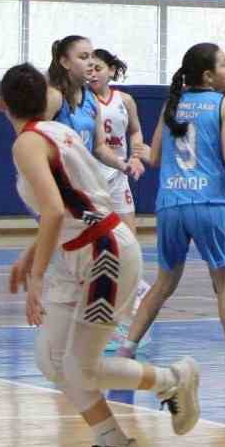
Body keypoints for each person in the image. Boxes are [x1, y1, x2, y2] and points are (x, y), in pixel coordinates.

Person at [0, 63, 200, 447]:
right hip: (82, 252)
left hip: (103, 254)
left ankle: (172, 379)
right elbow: (76, 206)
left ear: (1, 104)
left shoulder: (28, 143)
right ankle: (114, 443)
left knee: (79, 364)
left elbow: (55, 210)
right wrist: (31, 252)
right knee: (50, 358)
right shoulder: (57, 131)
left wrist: (35, 278)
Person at [116, 43, 225, 385]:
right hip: (208, 203)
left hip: (170, 203)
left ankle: (126, 351)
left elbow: (152, 158)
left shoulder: (173, 103)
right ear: (209, 75)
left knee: (164, 283)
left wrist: (138, 150)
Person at [87, 49, 153, 339]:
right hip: (91, 178)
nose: (92, 73)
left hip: (119, 176)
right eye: (88, 68)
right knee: (97, 247)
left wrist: (137, 156)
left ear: (111, 70)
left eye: (98, 67)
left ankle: (135, 293)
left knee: (129, 243)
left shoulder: (125, 100)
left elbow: (136, 132)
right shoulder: (80, 101)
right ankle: (106, 310)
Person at [46, 35, 98, 153]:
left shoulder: (91, 98)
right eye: (84, 57)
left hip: (83, 170)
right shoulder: (54, 97)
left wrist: (124, 166)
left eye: (93, 57)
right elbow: (31, 140)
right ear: (65, 62)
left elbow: (99, 147)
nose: (91, 62)